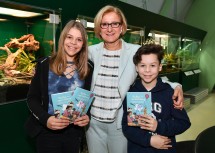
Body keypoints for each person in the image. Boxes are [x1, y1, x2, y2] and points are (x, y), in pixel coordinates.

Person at [86, 5, 184, 153]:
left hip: (119, 124)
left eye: (115, 24)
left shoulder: (134, 51)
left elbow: (151, 73)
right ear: (99, 28)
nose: (109, 29)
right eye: (104, 24)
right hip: (93, 124)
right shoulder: (90, 52)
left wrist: (177, 86)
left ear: (122, 27)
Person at [24, 20, 93, 153]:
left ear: (83, 44)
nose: (73, 43)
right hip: (47, 132)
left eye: (79, 39)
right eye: (69, 37)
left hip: (74, 133)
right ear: (63, 38)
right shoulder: (45, 64)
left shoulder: (88, 67)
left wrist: (86, 116)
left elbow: (86, 99)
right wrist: (46, 119)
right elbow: (32, 98)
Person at [122, 43, 191, 153]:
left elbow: (183, 123)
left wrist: (159, 126)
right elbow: (127, 127)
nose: (147, 70)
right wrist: (149, 140)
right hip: (138, 149)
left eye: (152, 65)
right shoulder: (132, 93)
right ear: (136, 67)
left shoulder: (170, 93)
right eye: (142, 65)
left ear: (160, 67)